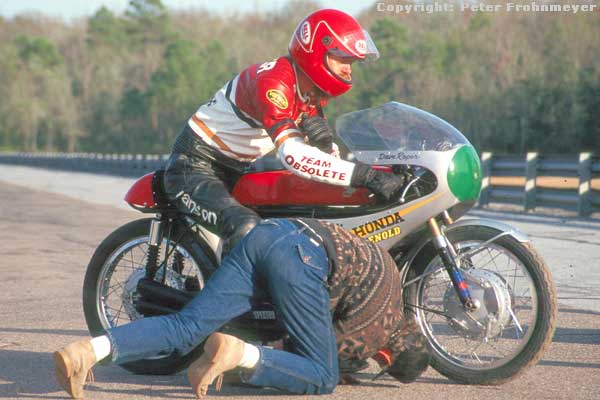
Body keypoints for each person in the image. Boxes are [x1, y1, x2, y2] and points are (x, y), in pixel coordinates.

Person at [54, 218, 430, 398]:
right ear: (387, 356)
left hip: (272, 233)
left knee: (187, 326)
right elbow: (306, 355)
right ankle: (237, 351)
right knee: (323, 377)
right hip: (301, 260)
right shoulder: (376, 330)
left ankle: (89, 351)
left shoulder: (393, 279)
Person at [163, 9, 410, 250]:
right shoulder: (274, 84)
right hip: (195, 166)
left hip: (239, 168)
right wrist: (367, 176)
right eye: (343, 59)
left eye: (352, 62)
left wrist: (370, 166)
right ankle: (234, 292)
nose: (349, 69)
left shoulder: (310, 91)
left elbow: (322, 158)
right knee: (244, 226)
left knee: (291, 215)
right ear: (316, 54)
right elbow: (295, 157)